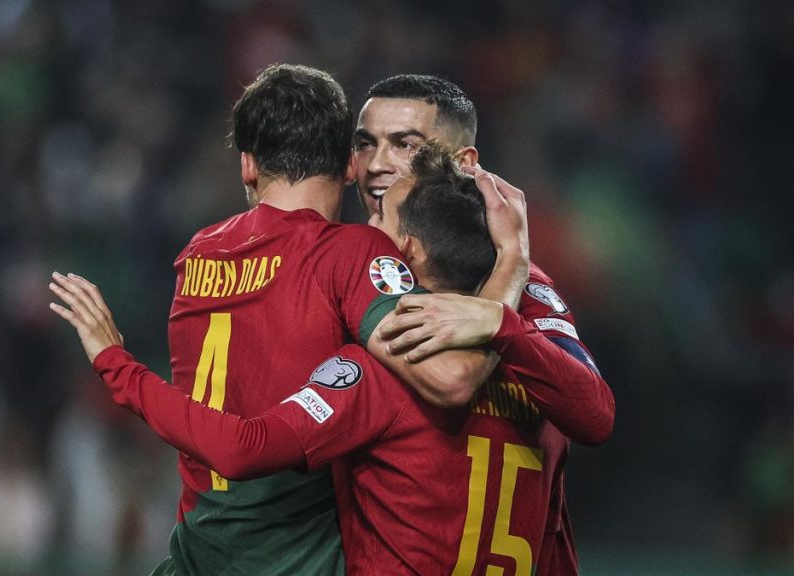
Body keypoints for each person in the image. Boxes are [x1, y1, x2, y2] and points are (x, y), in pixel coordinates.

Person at [50, 142, 614, 574]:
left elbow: (242, 447)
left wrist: (115, 364)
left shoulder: (378, 374)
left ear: (406, 250)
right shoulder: (535, 360)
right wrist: (509, 293)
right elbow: (597, 416)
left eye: (380, 218)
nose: (365, 229)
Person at [353, 74, 613, 573]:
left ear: (465, 163)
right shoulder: (342, 272)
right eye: (366, 144)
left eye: (404, 144)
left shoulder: (531, 290)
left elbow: (595, 415)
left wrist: (503, 313)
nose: (377, 164)